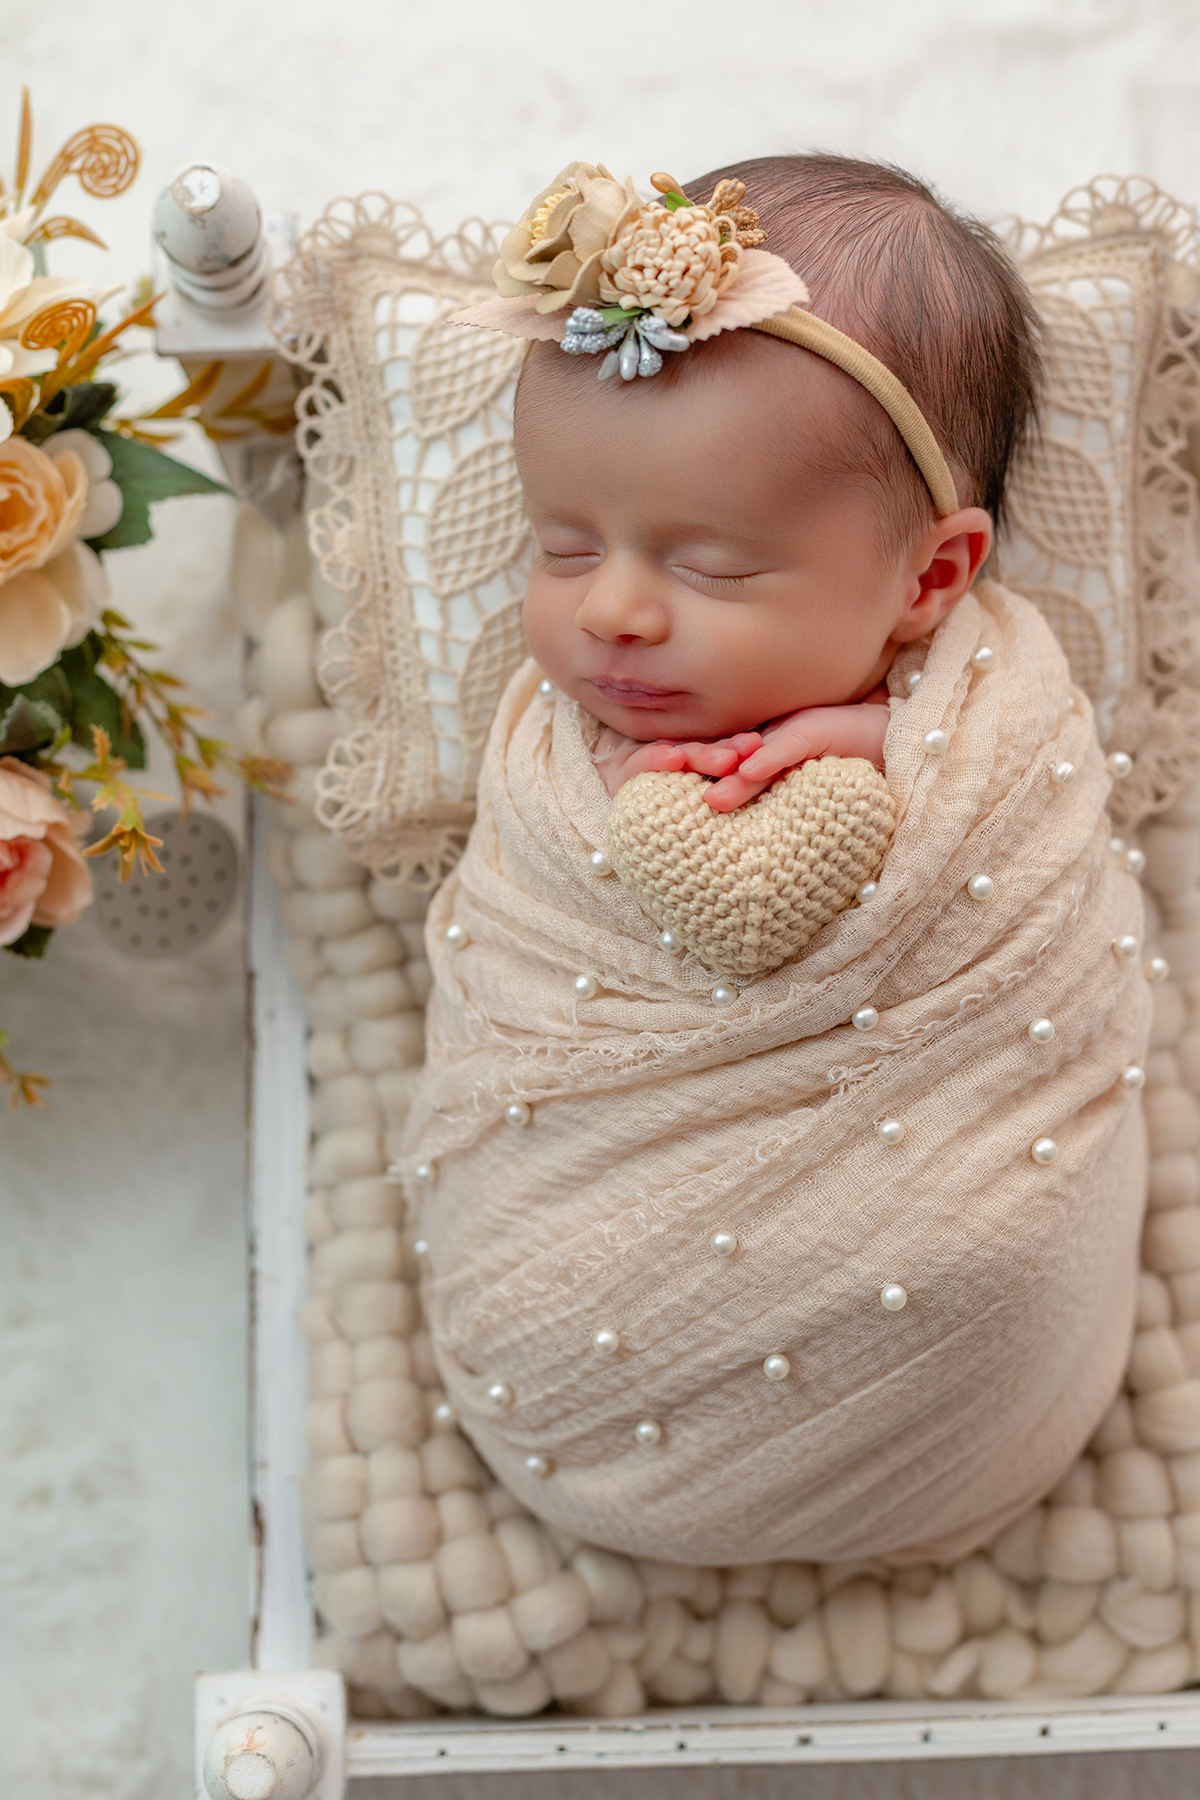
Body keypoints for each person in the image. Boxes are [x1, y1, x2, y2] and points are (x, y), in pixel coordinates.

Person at [399, 156, 1151, 1567]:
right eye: (565, 546)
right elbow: (538, 912)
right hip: (574, 1322)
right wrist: (622, 804)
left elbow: (962, 935)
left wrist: (872, 754)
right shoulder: (556, 750)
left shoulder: (994, 732)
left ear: (930, 582)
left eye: (713, 571)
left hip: (960, 1330)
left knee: (981, 1244)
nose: (612, 610)